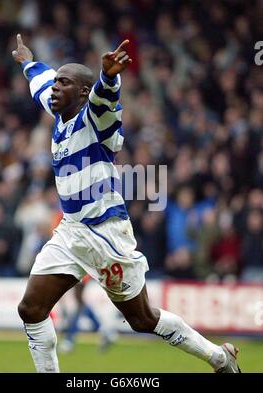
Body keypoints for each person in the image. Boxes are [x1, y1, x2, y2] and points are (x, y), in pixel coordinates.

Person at [12, 33, 241, 373]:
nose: (56, 88)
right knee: (30, 309)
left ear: (82, 93)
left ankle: (220, 357)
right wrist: (28, 61)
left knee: (142, 318)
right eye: (57, 82)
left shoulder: (97, 121)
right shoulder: (59, 109)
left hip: (107, 236)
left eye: (65, 83)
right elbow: (41, 82)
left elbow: (105, 102)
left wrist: (108, 77)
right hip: (71, 232)